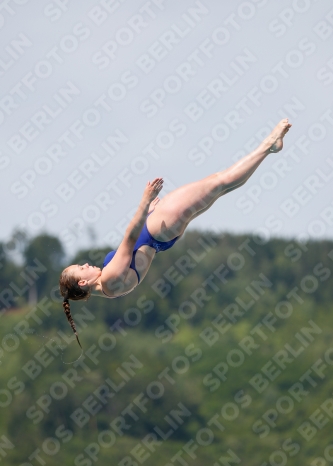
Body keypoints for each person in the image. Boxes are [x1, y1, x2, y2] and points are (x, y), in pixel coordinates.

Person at [59, 119, 292, 346]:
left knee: (220, 186)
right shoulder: (108, 279)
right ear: (82, 281)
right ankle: (269, 145)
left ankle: (269, 148)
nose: (87, 265)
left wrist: (149, 213)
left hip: (160, 232)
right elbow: (130, 239)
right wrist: (145, 200)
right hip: (158, 228)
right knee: (220, 181)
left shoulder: (109, 289)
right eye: (82, 268)